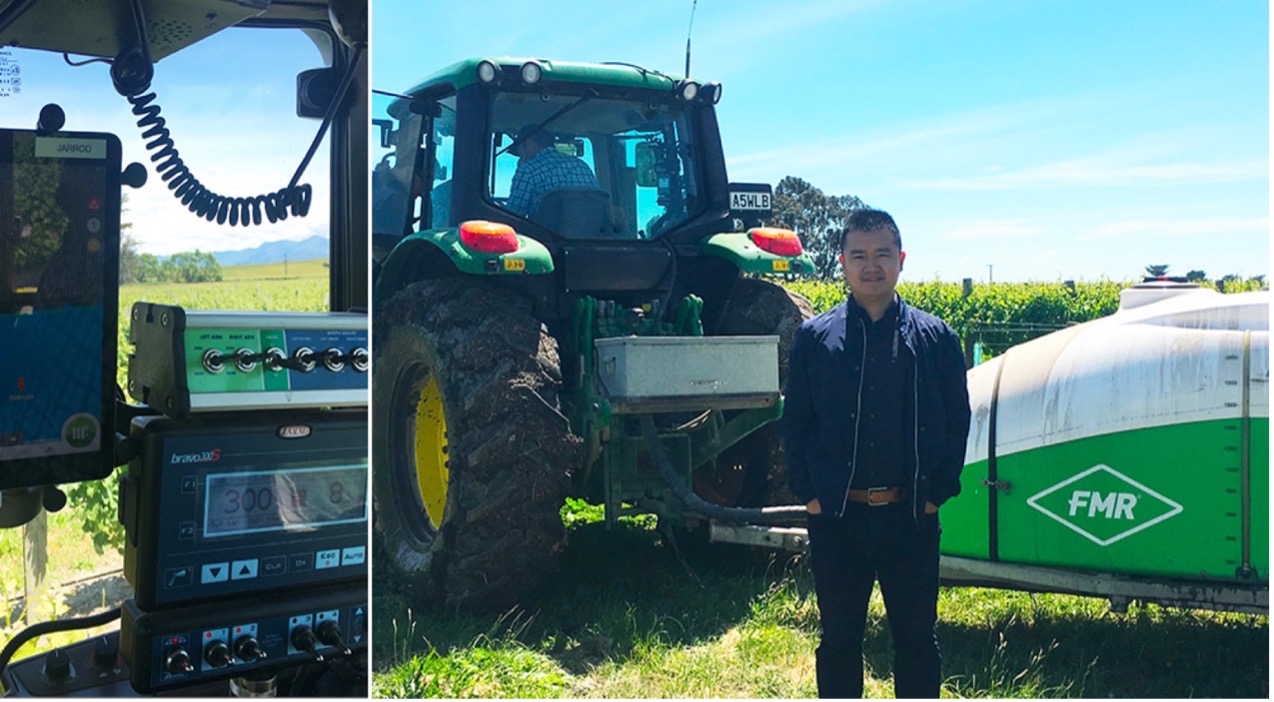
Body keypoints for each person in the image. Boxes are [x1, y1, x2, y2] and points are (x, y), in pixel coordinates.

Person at [783, 208, 971, 699]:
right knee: (840, 639)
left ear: (901, 260)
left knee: (916, 640)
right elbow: (796, 424)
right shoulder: (814, 340)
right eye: (859, 255)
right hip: (838, 519)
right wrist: (811, 496)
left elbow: (958, 421)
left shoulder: (936, 339)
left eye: (882, 254)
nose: (872, 266)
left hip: (911, 516)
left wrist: (938, 492)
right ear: (842, 262)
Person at [505, 125, 597, 217]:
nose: (520, 158)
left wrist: (521, 168)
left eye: (520, 151)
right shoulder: (582, 165)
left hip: (543, 231)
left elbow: (513, 216)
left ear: (529, 143)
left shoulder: (527, 170)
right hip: (589, 230)